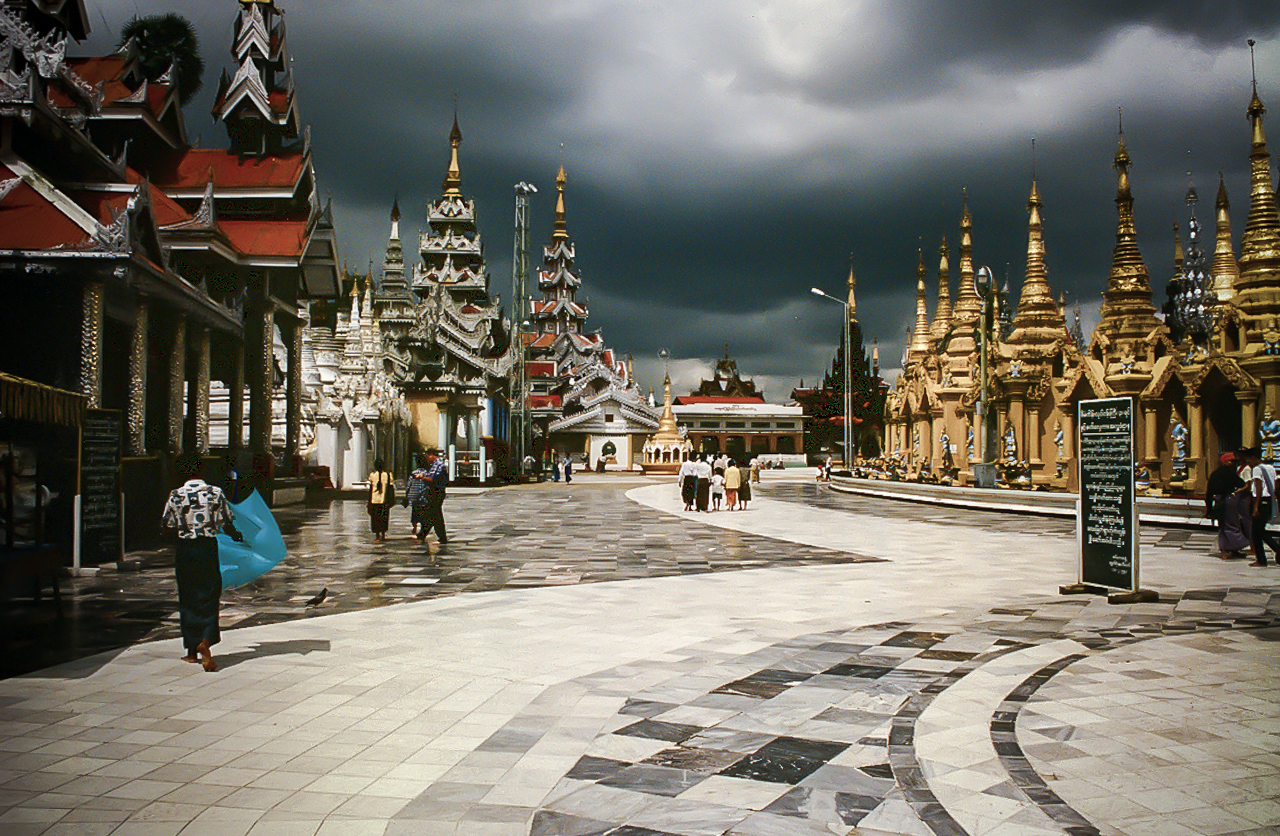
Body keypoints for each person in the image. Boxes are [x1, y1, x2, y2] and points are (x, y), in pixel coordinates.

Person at [162, 453, 243, 673]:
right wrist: (237, 536)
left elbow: (167, 524)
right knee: (208, 595)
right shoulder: (215, 493)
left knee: (187, 596)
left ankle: (191, 650)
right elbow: (228, 522)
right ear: (200, 470)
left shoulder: (176, 495)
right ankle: (205, 641)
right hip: (207, 548)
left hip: (186, 550)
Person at [1206, 452, 1248, 559]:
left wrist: (1209, 509)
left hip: (1219, 500)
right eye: (1231, 462)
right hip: (1228, 499)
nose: (1232, 464)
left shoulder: (1215, 474)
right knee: (1232, 524)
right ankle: (1230, 548)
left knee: (1223, 524)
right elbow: (1241, 483)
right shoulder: (1229, 473)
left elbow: (1209, 492)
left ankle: (1229, 549)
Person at [1244, 447, 1279, 567]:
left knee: (1257, 531)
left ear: (1253, 458)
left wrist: (1256, 507)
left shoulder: (1257, 469)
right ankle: (1262, 557)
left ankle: (1265, 557)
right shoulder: (1271, 468)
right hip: (1269, 500)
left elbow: (1258, 487)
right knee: (1260, 530)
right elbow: (1275, 485)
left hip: (1260, 500)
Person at [421, 447, 449, 546]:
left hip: (437, 491)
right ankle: (422, 534)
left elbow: (433, 479)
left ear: (432, 455)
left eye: (427, 456)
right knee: (431, 513)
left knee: (435, 514)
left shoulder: (439, 465)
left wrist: (422, 477)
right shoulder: (433, 465)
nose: (427, 458)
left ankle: (442, 537)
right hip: (433, 491)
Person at [367, 459, 395, 542]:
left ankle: (378, 535)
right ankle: (382, 533)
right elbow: (391, 488)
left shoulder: (373, 475)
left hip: (376, 500)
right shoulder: (387, 475)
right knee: (383, 518)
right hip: (382, 500)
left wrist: (369, 501)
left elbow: (370, 489)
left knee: (376, 518)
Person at [404, 455, 429, 538]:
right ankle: (422, 527)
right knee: (423, 513)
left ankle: (414, 526)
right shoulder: (426, 473)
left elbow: (409, 485)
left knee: (414, 512)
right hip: (423, 496)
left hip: (413, 496)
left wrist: (407, 495)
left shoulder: (413, 473)